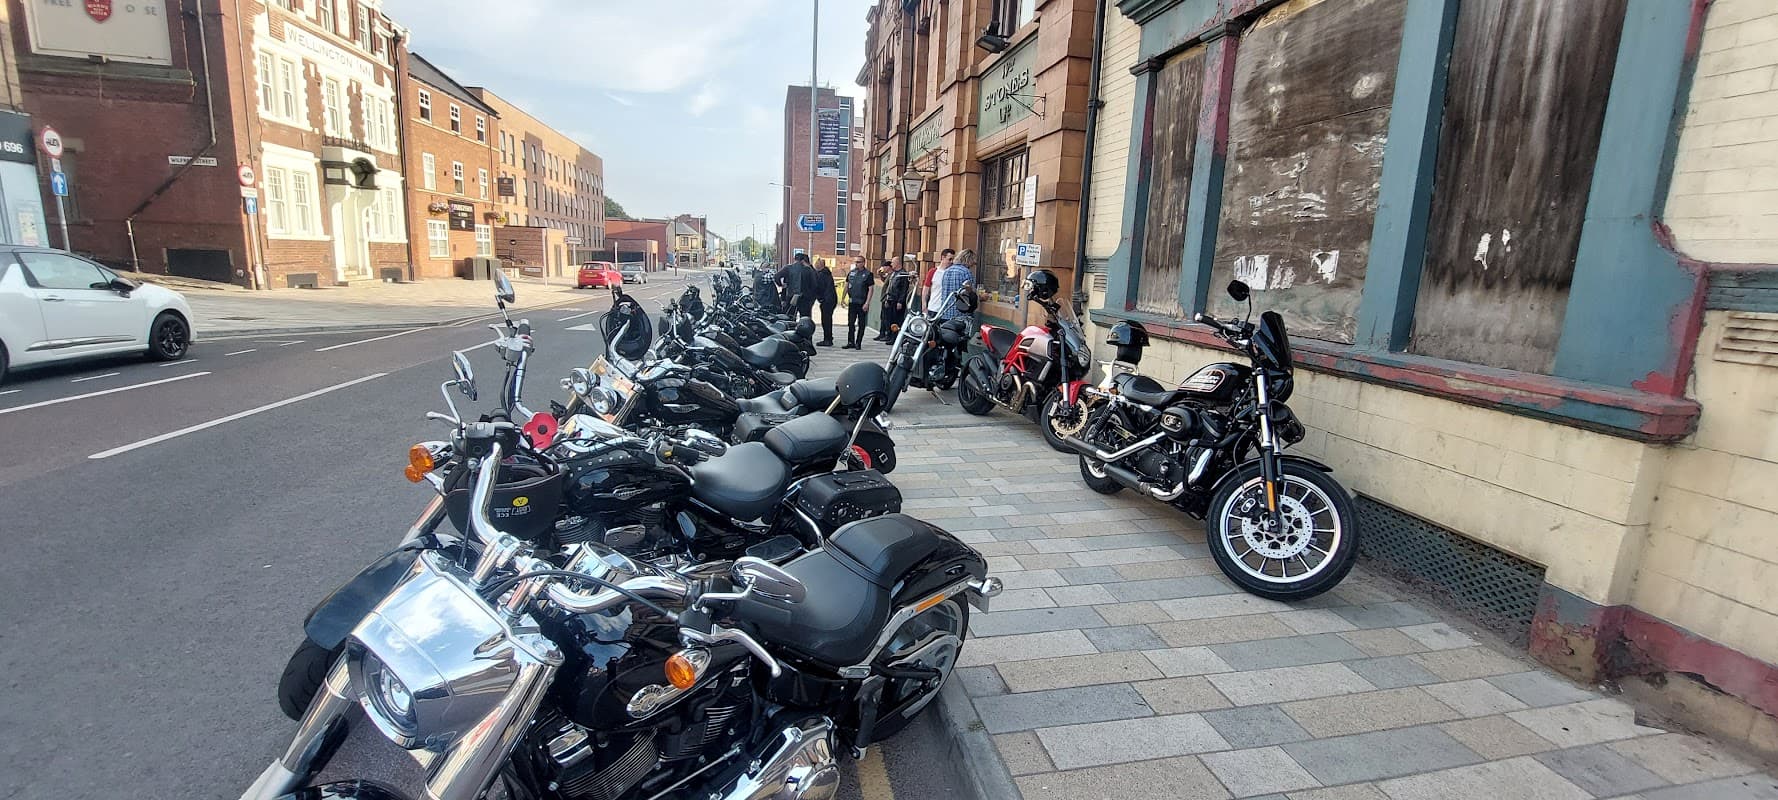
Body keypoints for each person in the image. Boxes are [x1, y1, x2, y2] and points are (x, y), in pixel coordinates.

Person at [933, 248, 976, 320]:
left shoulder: (947, 271)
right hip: (960, 315)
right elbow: (971, 293)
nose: (972, 265)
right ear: (969, 260)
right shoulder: (966, 272)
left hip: (945, 312)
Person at [843, 256, 875, 349]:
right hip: (852, 301)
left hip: (862, 302)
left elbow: (871, 289)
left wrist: (867, 303)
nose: (857, 263)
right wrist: (843, 298)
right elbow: (847, 285)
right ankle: (850, 342)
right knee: (851, 322)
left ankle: (858, 342)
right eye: (855, 262)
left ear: (863, 263)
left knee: (861, 323)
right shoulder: (851, 273)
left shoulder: (868, 274)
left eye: (859, 262)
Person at [877, 259, 910, 342]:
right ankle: (890, 336)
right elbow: (889, 286)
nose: (891, 264)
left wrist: (900, 301)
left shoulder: (903, 274)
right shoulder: (894, 273)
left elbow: (904, 289)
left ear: (897, 263)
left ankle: (895, 338)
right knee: (890, 319)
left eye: (893, 262)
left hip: (897, 300)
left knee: (897, 320)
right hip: (890, 299)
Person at [775, 252, 816, 318]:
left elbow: (777, 276)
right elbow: (814, 285)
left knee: (790, 317)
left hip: (791, 296)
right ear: (802, 260)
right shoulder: (808, 270)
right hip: (804, 298)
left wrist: (781, 285)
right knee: (805, 318)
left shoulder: (788, 268)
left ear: (794, 259)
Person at [812, 256, 839, 346]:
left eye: (816, 264)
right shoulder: (827, 273)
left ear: (820, 265)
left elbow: (818, 287)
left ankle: (827, 339)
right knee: (828, 319)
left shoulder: (821, 275)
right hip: (831, 299)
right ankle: (828, 337)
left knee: (826, 320)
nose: (815, 265)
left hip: (827, 300)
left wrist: (818, 297)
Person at [924, 248, 956, 315]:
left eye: (953, 260)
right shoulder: (933, 272)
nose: (951, 262)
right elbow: (925, 290)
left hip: (948, 310)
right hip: (934, 307)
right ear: (943, 257)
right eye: (950, 259)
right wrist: (924, 306)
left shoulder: (954, 273)